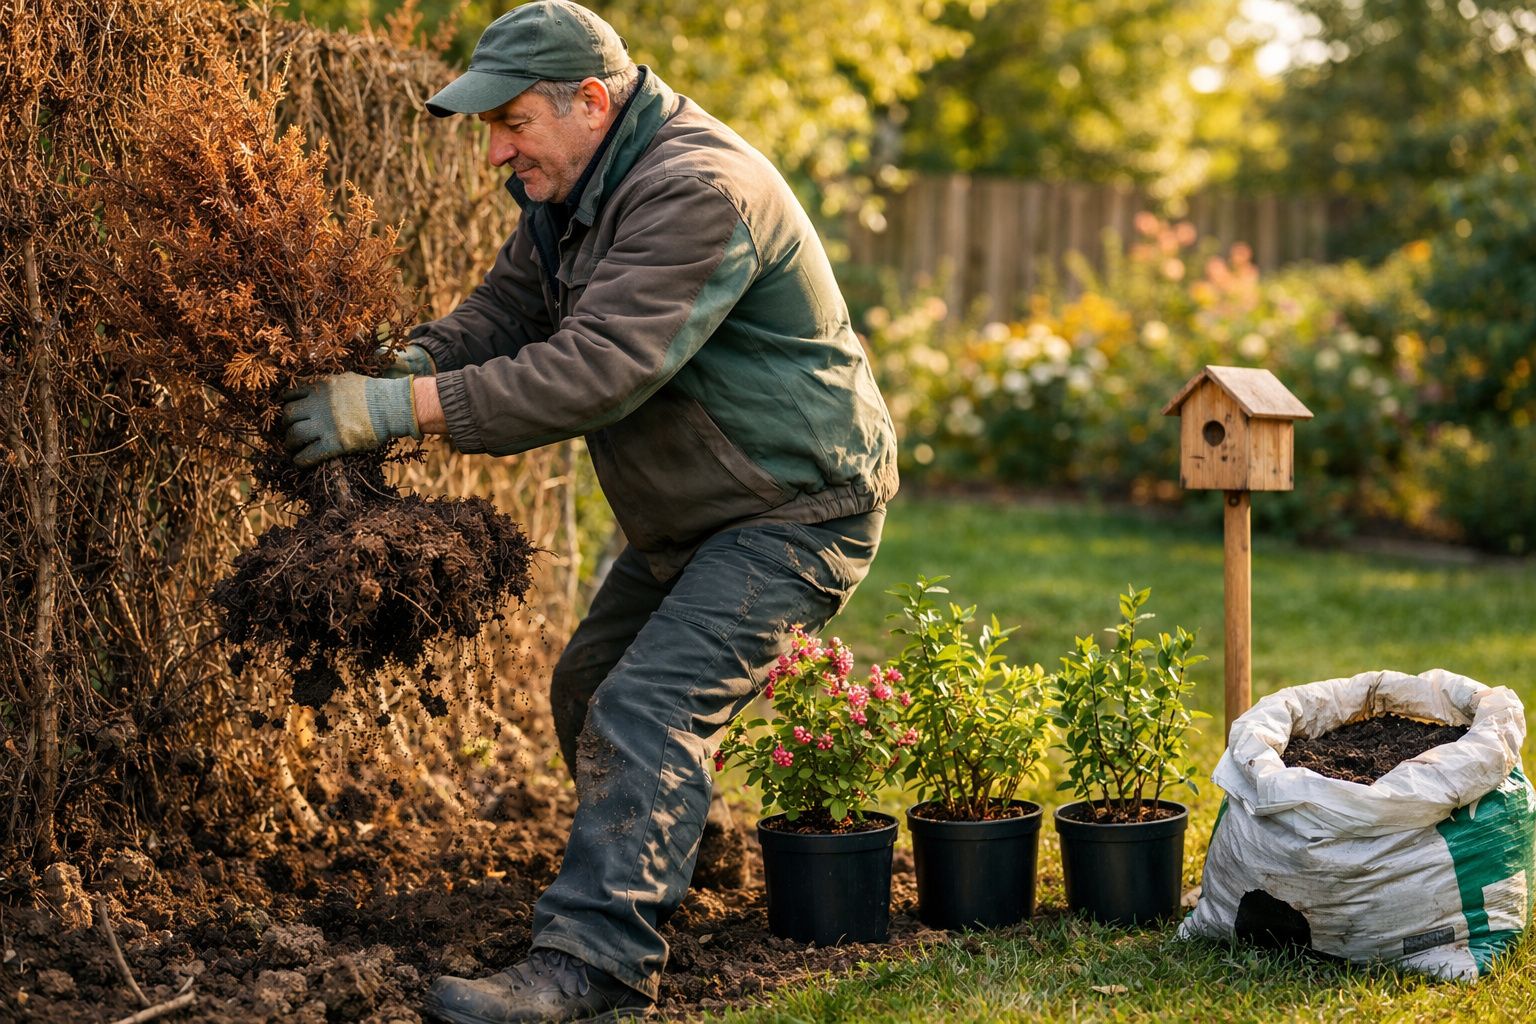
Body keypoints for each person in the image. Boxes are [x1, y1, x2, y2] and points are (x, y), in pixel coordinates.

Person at [280, 2, 898, 1020]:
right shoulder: (574, 187)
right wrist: (403, 370)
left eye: (511, 122)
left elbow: (596, 371)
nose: (494, 152)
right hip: (699, 510)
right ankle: (658, 870)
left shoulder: (698, 192)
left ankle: (593, 968)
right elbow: (506, 313)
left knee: (644, 706)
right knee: (591, 687)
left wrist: (394, 412)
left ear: (593, 102)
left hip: (795, 507)